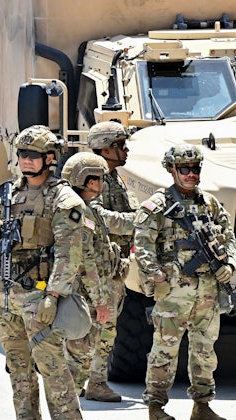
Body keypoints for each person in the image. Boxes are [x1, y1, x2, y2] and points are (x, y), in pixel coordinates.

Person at [0, 125, 90, 420]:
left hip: (39, 296)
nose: (26, 160)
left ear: (50, 158)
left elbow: (69, 254)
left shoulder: (63, 199)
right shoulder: (9, 194)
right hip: (5, 296)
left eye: (33, 155)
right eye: (22, 154)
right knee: (18, 368)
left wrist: (53, 296)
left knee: (52, 366)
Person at [133, 143, 236, 420]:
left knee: (205, 350)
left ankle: (202, 405)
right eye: (184, 169)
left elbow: (228, 236)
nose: (191, 174)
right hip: (173, 292)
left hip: (207, 291)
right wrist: (155, 274)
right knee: (164, 351)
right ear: (171, 170)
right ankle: (156, 406)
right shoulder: (158, 205)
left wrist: (229, 264)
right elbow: (142, 243)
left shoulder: (210, 203)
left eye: (195, 168)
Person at [61, 152, 126, 420]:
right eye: (97, 179)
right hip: (84, 295)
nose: (101, 184)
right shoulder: (77, 211)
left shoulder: (90, 209)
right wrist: (100, 301)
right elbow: (84, 260)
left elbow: (118, 223)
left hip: (94, 291)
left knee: (85, 356)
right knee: (78, 358)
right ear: (84, 180)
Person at [78, 120, 139, 402]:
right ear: (106, 149)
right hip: (98, 267)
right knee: (98, 327)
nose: (126, 150)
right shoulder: (92, 178)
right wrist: (139, 222)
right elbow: (98, 217)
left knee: (104, 327)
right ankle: (93, 382)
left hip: (113, 266)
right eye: (120, 145)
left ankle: (90, 380)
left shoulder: (113, 177)